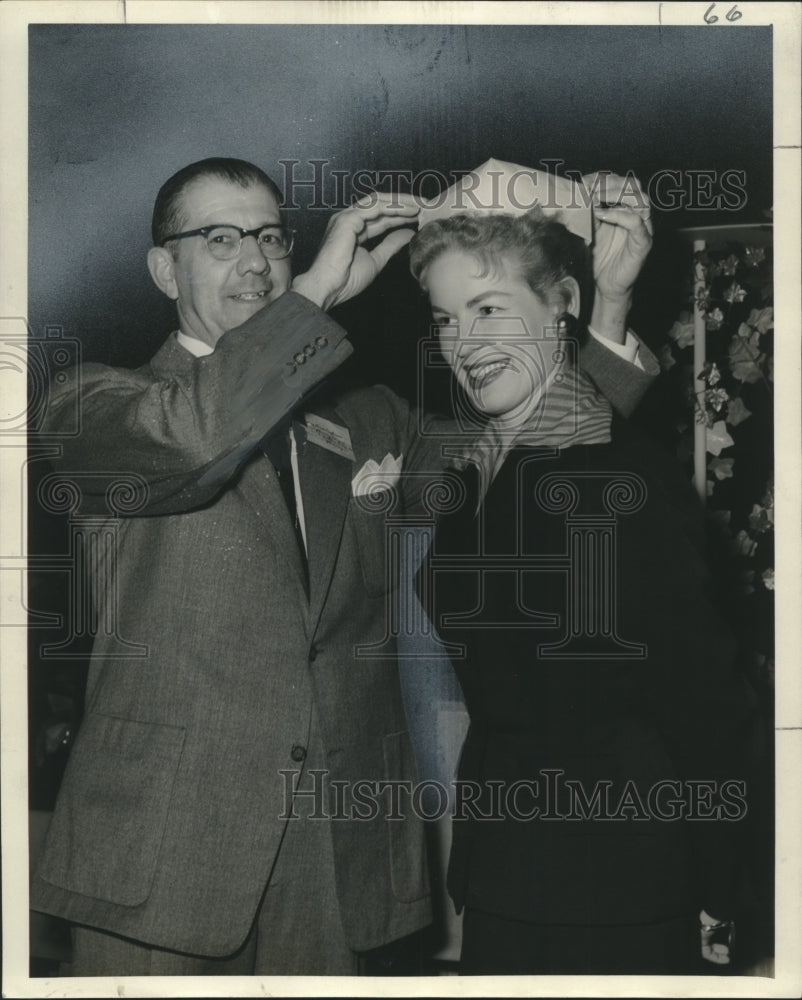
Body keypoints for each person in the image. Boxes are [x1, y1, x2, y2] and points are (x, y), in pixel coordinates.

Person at [30, 157, 651, 976]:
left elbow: (541, 450)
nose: (255, 260)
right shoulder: (95, 403)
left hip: (336, 860)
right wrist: (313, 297)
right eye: (220, 239)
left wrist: (609, 306)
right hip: (161, 860)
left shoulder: (366, 418)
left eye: (270, 237)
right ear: (162, 268)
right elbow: (195, 439)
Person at [409, 203, 760, 975]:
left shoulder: (625, 478)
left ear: (559, 305)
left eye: (489, 308)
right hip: (503, 872)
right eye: (445, 319)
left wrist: (725, 883)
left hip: (620, 880)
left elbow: (708, 706)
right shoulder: (469, 476)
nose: (464, 344)